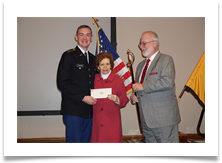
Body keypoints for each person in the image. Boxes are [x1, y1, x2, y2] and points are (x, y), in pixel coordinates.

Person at [130, 31, 181, 143]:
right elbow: (140, 90)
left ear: (154, 43)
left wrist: (143, 86)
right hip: (146, 121)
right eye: (140, 44)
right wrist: (135, 98)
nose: (141, 47)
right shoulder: (140, 66)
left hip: (163, 121)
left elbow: (167, 82)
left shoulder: (166, 60)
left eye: (144, 43)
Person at [57, 25, 97, 143]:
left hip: (89, 111)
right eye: (81, 34)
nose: (84, 37)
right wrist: (83, 97)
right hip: (73, 110)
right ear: (76, 37)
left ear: (92, 38)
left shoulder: (94, 59)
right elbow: (62, 83)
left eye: (88, 35)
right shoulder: (69, 56)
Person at [90, 52, 129, 143]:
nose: (105, 67)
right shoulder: (93, 79)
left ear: (111, 65)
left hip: (112, 121)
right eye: (102, 64)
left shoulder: (118, 80)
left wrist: (117, 99)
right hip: (96, 121)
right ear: (98, 66)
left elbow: (125, 99)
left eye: (107, 64)